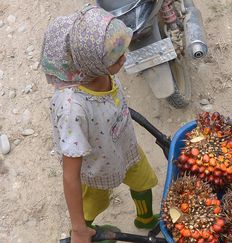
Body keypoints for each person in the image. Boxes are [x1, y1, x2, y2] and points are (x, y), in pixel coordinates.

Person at [41, 5, 159, 243]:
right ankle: (86, 230)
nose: (124, 58)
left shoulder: (100, 70)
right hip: (95, 168)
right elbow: (70, 175)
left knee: (143, 181)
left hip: (125, 148)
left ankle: (145, 219)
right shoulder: (73, 110)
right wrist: (77, 229)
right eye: (117, 57)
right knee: (91, 205)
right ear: (94, 64)